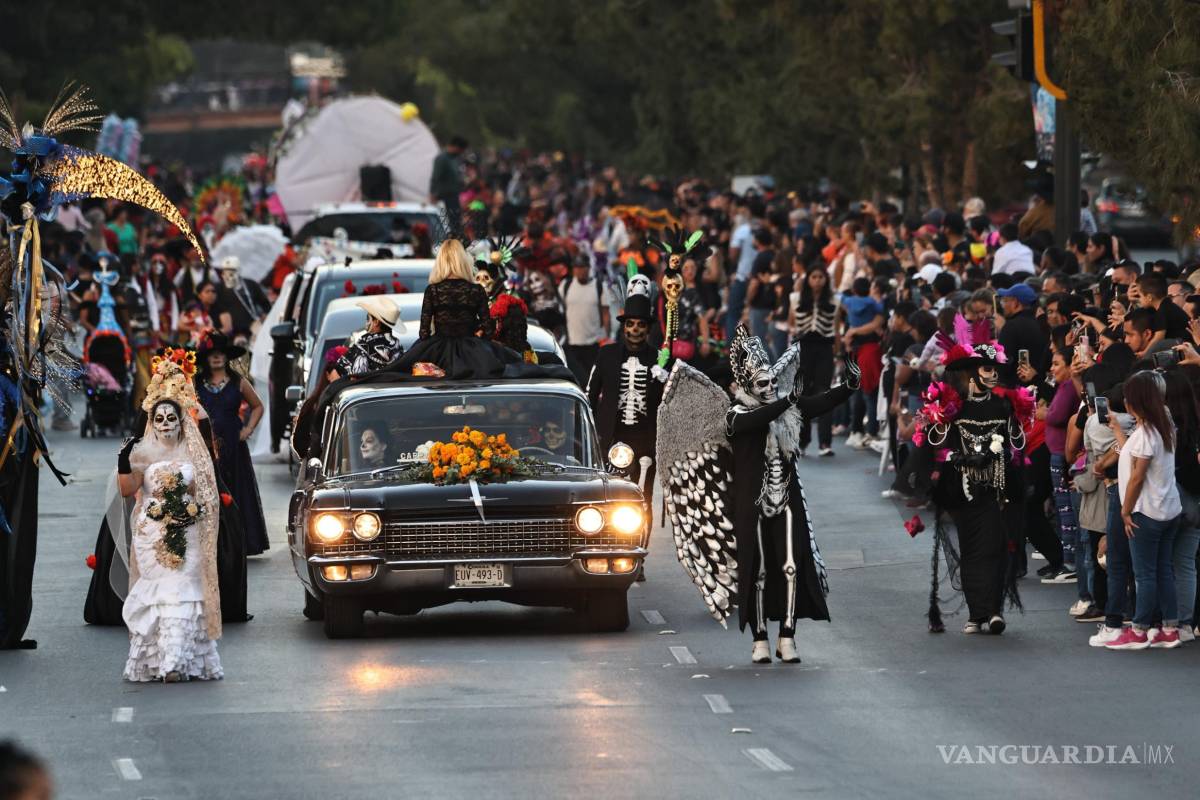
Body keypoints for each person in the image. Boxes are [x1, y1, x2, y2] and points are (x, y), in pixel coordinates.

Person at [656, 325, 860, 663]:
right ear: (749, 386)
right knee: (759, 570)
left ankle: (788, 635)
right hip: (751, 503)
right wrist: (786, 402)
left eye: (772, 382)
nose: (769, 389)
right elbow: (756, 420)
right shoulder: (736, 415)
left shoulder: (787, 407)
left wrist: (849, 386)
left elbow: (820, 402)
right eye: (762, 384)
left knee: (791, 564)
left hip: (787, 499)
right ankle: (760, 636)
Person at [919, 319, 1028, 634]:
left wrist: (1019, 423)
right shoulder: (956, 406)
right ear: (972, 373)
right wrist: (940, 421)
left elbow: (1016, 444)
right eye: (986, 369)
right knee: (970, 549)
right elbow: (937, 443)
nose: (993, 374)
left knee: (994, 547)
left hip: (997, 487)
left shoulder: (1005, 405)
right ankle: (976, 613)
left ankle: (992, 611)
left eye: (995, 369)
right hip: (963, 489)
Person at [117, 353, 222, 682]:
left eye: (170, 419)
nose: (164, 424)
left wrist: (191, 511)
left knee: (183, 590)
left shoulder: (193, 452)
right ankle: (160, 659)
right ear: (152, 421)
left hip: (187, 531)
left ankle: (176, 662)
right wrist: (124, 460)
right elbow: (127, 490)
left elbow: (204, 490)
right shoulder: (143, 452)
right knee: (160, 592)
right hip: (152, 536)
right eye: (159, 419)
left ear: (180, 422)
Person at [1103, 370, 1184, 650]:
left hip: (1146, 512)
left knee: (1145, 574)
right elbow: (1132, 458)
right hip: (1168, 509)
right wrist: (1117, 431)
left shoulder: (1148, 431)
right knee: (1163, 571)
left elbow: (1137, 476)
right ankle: (1170, 628)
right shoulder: (1163, 425)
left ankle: (1138, 630)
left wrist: (1125, 511)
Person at [587, 292, 666, 511]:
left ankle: (642, 543)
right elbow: (590, 395)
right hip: (612, 438)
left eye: (641, 325)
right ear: (623, 327)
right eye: (630, 324)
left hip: (646, 440)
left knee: (644, 500)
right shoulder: (606, 354)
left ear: (648, 329)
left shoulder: (659, 359)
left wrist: (664, 379)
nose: (635, 330)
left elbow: (668, 404)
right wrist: (591, 433)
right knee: (611, 497)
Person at [393, 240, 517, 378]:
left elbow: (424, 333)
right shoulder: (476, 290)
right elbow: (488, 330)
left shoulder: (433, 290)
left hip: (438, 351)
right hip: (473, 353)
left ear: (440, 262)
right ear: (463, 261)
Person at [195, 332, 269, 556]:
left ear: (226, 357)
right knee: (208, 491)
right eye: (212, 354)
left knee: (237, 490)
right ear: (206, 358)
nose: (217, 358)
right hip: (205, 446)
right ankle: (211, 542)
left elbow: (258, 406)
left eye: (221, 354)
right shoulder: (196, 383)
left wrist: (247, 430)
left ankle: (240, 543)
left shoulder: (238, 381)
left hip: (234, 446)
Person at [790, 265, 838, 456]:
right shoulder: (795, 298)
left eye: (820, 276)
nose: (817, 280)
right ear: (808, 279)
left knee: (824, 394)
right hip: (803, 348)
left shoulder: (834, 300)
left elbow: (835, 327)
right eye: (814, 276)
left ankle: (825, 443)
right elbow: (792, 324)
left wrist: (839, 353)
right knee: (803, 394)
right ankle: (802, 441)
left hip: (825, 348)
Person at [559, 256, 610, 384]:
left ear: (588, 268)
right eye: (577, 267)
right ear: (573, 270)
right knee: (575, 380)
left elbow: (605, 313)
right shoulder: (566, 286)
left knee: (592, 380)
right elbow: (560, 310)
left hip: (593, 344)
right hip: (571, 344)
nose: (580, 271)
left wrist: (606, 336)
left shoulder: (599, 286)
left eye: (583, 267)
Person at [336, 296, 404, 375]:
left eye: (368, 317)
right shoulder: (398, 347)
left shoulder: (363, 344)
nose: (366, 321)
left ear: (376, 322)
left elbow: (338, 371)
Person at [430, 135, 467, 217]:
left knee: (455, 220)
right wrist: (433, 194)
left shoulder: (454, 159)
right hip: (444, 197)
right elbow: (436, 177)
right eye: (461, 150)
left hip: (454, 196)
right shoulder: (442, 159)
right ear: (456, 147)